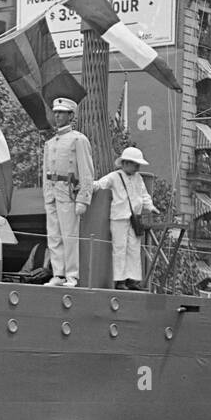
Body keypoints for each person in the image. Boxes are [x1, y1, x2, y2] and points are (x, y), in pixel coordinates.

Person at [42, 98, 94, 287]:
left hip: (69, 192)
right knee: (54, 235)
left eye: (62, 112)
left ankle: (71, 275)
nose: (57, 116)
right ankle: (59, 274)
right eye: (56, 112)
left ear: (71, 116)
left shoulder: (78, 139)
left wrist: (83, 198)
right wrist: (46, 194)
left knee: (69, 236)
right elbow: (46, 173)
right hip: (53, 192)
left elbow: (87, 171)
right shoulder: (50, 143)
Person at [92, 147, 156, 291]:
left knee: (133, 249)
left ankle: (132, 280)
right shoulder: (114, 177)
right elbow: (99, 184)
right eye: (135, 164)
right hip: (119, 218)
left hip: (134, 219)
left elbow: (144, 195)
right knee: (120, 249)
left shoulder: (138, 178)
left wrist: (151, 207)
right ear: (126, 163)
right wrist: (87, 185)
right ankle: (120, 280)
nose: (137, 168)